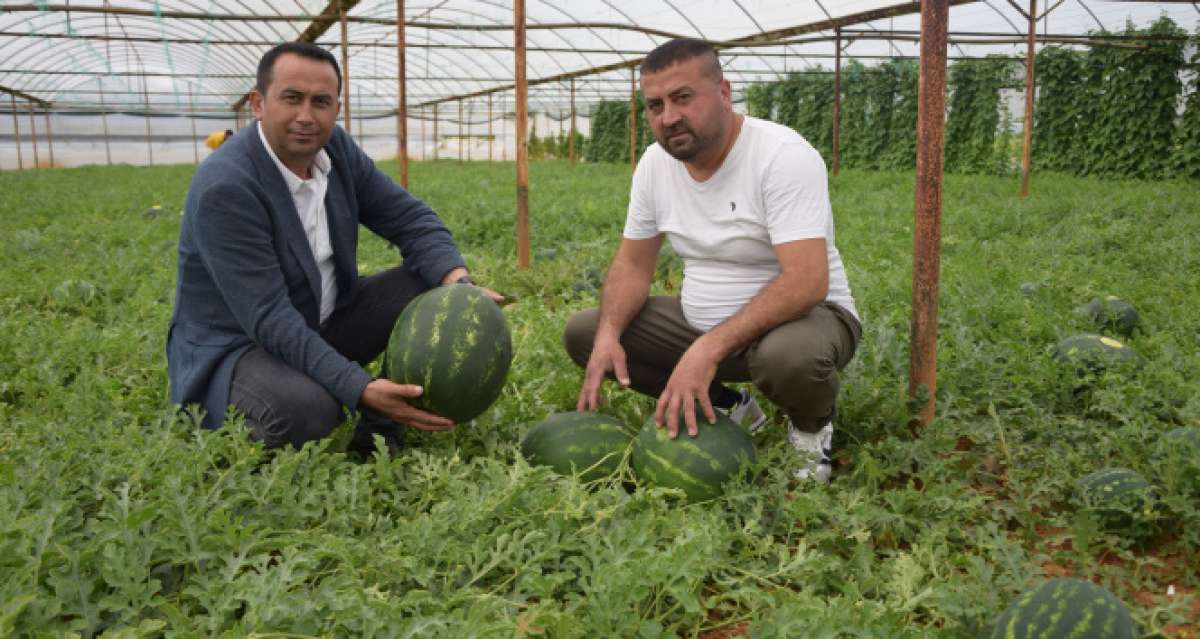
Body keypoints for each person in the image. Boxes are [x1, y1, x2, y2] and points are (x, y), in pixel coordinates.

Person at [168, 41, 501, 454]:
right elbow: (269, 318)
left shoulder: (335, 150)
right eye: (292, 98)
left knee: (430, 284)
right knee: (310, 411)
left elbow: (410, 219)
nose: (306, 116)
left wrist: (459, 284)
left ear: (337, 109)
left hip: (319, 321)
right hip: (240, 347)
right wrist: (357, 387)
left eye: (321, 102)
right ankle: (239, 414)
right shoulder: (227, 187)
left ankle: (381, 425)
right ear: (258, 103)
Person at [564, 38, 861, 483]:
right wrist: (609, 333)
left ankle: (810, 433)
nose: (668, 117)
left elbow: (806, 282)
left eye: (683, 98)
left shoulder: (781, 156)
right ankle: (728, 406)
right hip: (704, 325)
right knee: (587, 332)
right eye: (654, 105)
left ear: (724, 92)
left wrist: (706, 349)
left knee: (790, 357)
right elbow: (632, 266)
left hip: (807, 320)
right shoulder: (654, 165)